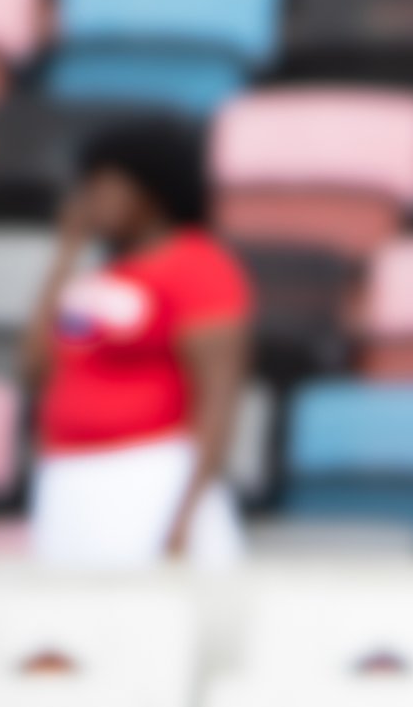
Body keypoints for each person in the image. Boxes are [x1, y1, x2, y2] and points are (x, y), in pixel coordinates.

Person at [23, 117, 251, 569]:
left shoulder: (199, 265)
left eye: (105, 186)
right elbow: (34, 368)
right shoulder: (98, 274)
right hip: (68, 474)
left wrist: (186, 515)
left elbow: (218, 400)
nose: (90, 201)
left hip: (150, 477)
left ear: (152, 190)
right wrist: (65, 253)